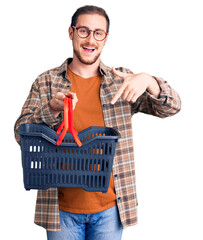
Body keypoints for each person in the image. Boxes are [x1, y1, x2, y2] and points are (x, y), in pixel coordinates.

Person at [14, 5, 181, 240]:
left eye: (98, 33)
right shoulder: (46, 81)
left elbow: (172, 107)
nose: (90, 39)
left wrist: (149, 80)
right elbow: (21, 133)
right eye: (83, 31)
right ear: (71, 32)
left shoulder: (121, 81)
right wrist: (51, 109)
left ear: (105, 38)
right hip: (60, 210)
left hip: (110, 210)